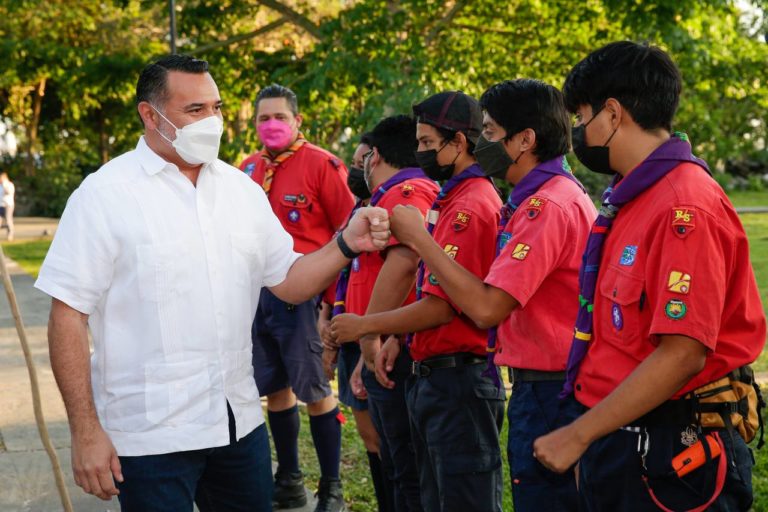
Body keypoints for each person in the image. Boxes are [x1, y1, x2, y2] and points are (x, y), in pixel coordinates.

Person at [34, 54, 390, 512]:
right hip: (148, 436)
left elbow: (287, 280)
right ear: (150, 115)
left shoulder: (240, 190)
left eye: (217, 108)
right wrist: (85, 431)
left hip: (237, 426)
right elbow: (67, 315)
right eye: (195, 111)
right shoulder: (104, 196)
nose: (213, 122)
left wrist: (345, 244)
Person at [533, 41, 767, 511]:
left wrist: (578, 436)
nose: (578, 131)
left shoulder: (683, 206)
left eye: (581, 118)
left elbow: (682, 354)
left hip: (670, 452)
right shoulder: (632, 200)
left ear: (613, 114)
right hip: (620, 437)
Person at [388, 79, 596, 511]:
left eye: (489, 132)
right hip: (543, 386)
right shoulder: (540, 199)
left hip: (551, 390)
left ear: (525, 140)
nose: (480, 143)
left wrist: (420, 242)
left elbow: (485, 308)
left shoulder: (547, 207)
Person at [331, 92, 505, 512]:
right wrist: (399, 339)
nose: (421, 153)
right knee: (429, 493)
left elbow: (445, 304)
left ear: (458, 144)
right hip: (433, 371)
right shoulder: (450, 199)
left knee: (456, 498)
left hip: (460, 380)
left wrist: (366, 327)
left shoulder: (470, 204)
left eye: (427, 143)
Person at [239, 84, 355, 511]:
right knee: (275, 389)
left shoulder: (323, 165)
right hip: (258, 298)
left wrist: (332, 303)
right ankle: (288, 479)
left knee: (316, 389)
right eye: (263, 118)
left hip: (305, 296)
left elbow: (348, 235)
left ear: (297, 121)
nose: (271, 125)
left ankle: (332, 488)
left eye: (279, 117)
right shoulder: (246, 169)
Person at [329, 115, 439, 512]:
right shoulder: (385, 197)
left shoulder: (406, 192)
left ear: (373, 156)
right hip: (377, 342)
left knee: (406, 470)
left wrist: (376, 336)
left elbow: (411, 267)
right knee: (394, 463)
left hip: (395, 349)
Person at [318, 132, 397, 511]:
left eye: (362, 159)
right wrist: (326, 314)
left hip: (374, 339)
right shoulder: (357, 213)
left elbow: (403, 277)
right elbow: (343, 273)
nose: (356, 167)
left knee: (387, 439)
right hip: (351, 335)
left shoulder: (387, 214)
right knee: (368, 436)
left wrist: (373, 341)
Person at [0, 172, 15, 241]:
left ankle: (10, 235)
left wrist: (4, 185)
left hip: (9, 205)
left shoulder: (10, 185)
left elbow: (8, 192)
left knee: (8, 220)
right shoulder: (0, 186)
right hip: (1, 205)